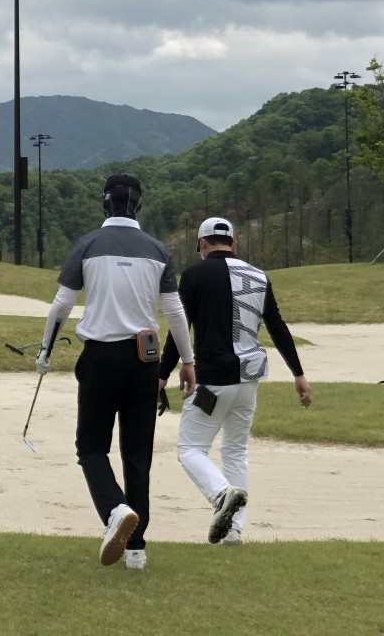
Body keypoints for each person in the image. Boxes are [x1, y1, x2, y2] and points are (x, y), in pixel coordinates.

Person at [36, 174, 196, 570]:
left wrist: (45, 350)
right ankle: (137, 551)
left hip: (101, 358)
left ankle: (114, 510)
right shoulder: (158, 250)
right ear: (137, 206)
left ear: (104, 205)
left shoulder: (87, 245)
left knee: (91, 447)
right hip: (145, 360)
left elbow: (60, 306)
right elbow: (175, 312)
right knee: (137, 453)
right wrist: (188, 362)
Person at [159, 215, 312, 546]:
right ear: (234, 243)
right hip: (249, 380)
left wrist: (161, 374)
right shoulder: (259, 276)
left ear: (201, 244)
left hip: (212, 380)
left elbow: (179, 329)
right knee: (235, 450)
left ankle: (221, 494)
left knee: (190, 448)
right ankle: (234, 530)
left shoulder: (195, 275)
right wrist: (298, 374)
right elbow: (278, 326)